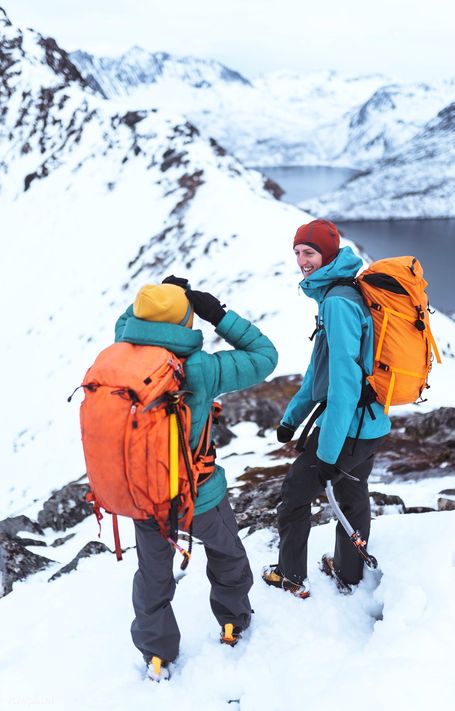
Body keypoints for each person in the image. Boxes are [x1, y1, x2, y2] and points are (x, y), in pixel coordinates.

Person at [115, 280, 278, 679]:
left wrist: (158, 300)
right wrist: (217, 314)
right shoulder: (200, 369)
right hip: (200, 495)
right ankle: (232, 622)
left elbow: (125, 325)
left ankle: (156, 654)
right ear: (185, 322)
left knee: (153, 575)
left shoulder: (121, 359)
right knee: (228, 558)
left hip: (145, 498)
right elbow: (265, 356)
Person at [262, 219, 391, 598]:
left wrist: (329, 452)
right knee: (352, 495)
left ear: (328, 254)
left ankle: (290, 574)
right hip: (371, 424)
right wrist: (292, 420)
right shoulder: (343, 291)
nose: (302, 260)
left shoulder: (337, 303)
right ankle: (349, 573)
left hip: (348, 428)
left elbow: (344, 384)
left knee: (296, 493)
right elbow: (319, 371)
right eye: (298, 252)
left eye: (310, 252)